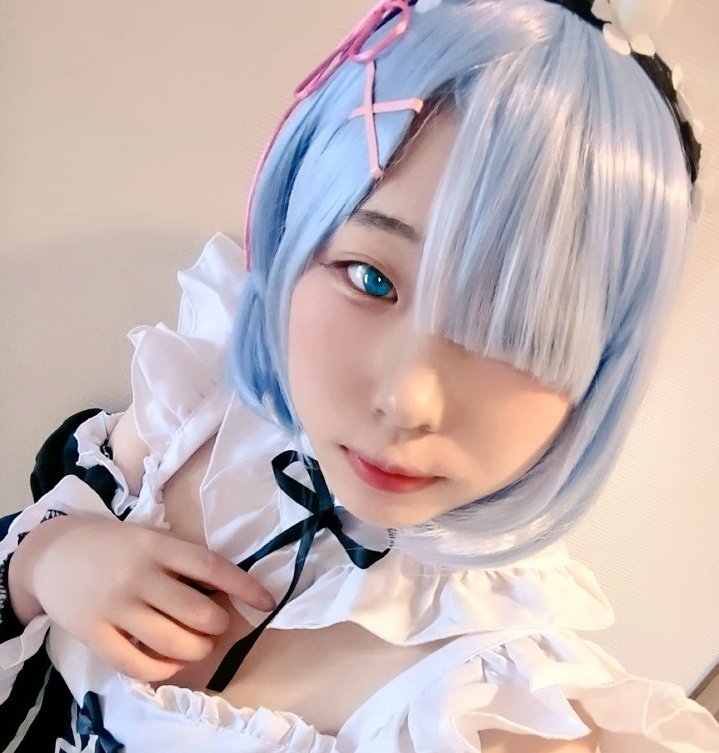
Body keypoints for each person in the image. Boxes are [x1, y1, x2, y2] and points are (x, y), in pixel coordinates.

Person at [1, 0, 717, 751]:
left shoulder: (505, 712)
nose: (408, 399)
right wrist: (44, 561)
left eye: (516, 334)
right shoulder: (198, 405)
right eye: (371, 279)